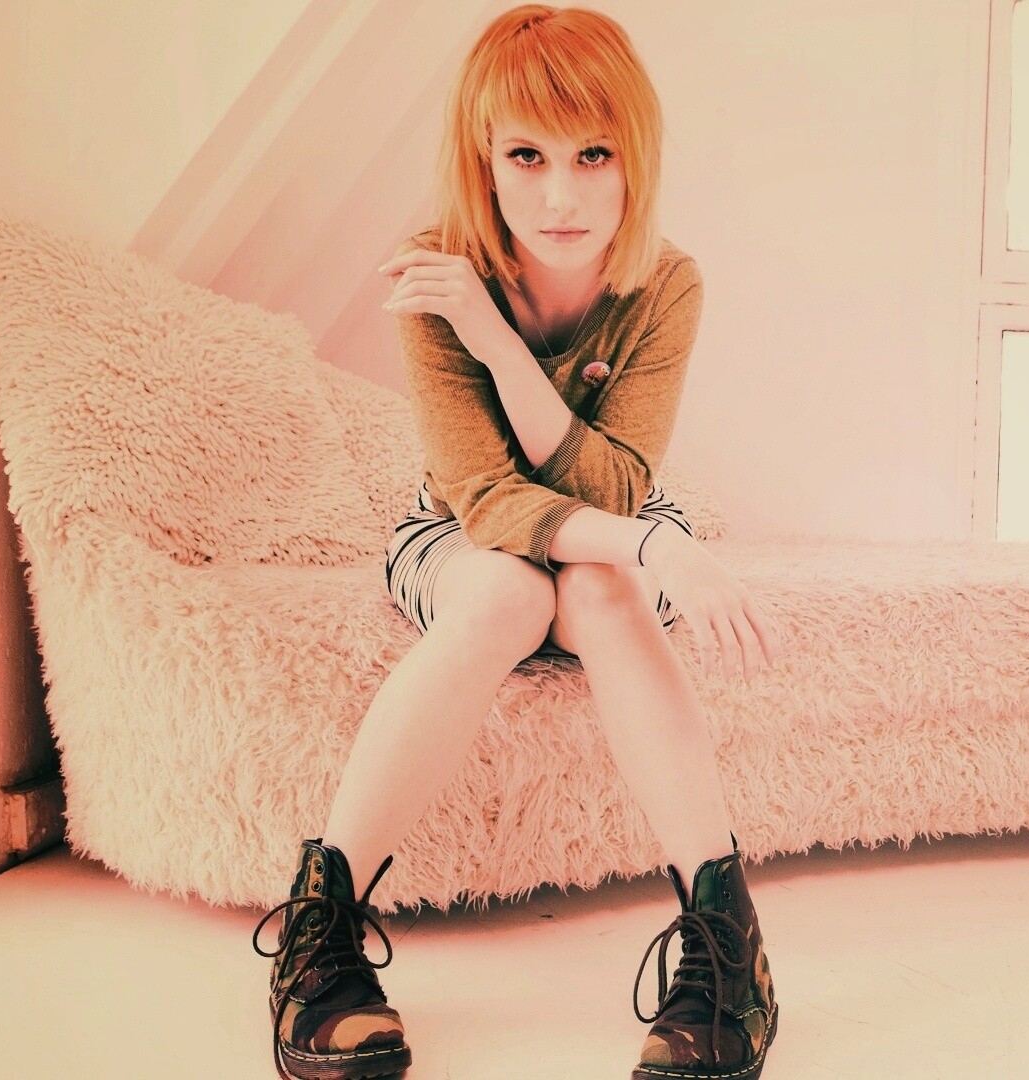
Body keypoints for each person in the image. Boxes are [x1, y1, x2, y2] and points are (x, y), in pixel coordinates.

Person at [249, 7, 786, 1079]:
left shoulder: (666, 283)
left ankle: (729, 948)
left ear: (635, 157)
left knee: (595, 591)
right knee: (506, 593)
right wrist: (490, 337)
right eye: (527, 156)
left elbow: (613, 488)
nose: (560, 197)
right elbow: (486, 497)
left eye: (595, 155)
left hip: (611, 527)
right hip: (458, 525)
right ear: (483, 160)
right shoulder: (437, 274)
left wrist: (644, 543)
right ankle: (319, 930)